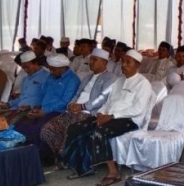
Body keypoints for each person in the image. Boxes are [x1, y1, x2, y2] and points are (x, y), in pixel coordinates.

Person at [64, 49, 154, 184]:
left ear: (137, 65)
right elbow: (109, 102)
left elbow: (137, 109)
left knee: (99, 132)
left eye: (128, 62)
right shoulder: (119, 81)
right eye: (123, 61)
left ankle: (114, 173)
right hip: (110, 116)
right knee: (76, 127)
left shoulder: (143, 83)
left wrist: (111, 116)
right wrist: (101, 113)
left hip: (130, 120)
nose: (123, 65)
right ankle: (83, 167)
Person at [40, 48, 116, 168]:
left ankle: (67, 159)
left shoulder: (110, 78)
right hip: (74, 110)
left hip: (90, 113)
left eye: (94, 60)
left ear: (104, 62)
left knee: (70, 129)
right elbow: (77, 94)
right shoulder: (87, 77)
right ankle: (62, 155)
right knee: (47, 130)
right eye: (90, 59)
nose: (91, 62)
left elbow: (102, 98)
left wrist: (82, 106)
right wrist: (70, 105)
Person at [14, 54, 80, 159]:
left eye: (53, 69)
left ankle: (39, 157)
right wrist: (36, 107)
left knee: (37, 128)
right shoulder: (51, 76)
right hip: (43, 110)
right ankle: (22, 155)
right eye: (50, 69)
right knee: (20, 124)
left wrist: (45, 111)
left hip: (59, 112)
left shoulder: (72, 80)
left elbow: (65, 101)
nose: (51, 72)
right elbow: (43, 94)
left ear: (62, 68)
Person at [0, 52, 49, 125]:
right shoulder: (26, 79)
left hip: (31, 111)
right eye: (23, 67)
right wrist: (9, 104)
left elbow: (47, 98)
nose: (25, 70)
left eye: (27, 67)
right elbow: (22, 98)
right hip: (18, 108)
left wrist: (34, 107)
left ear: (36, 63)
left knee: (4, 123)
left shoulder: (46, 77)